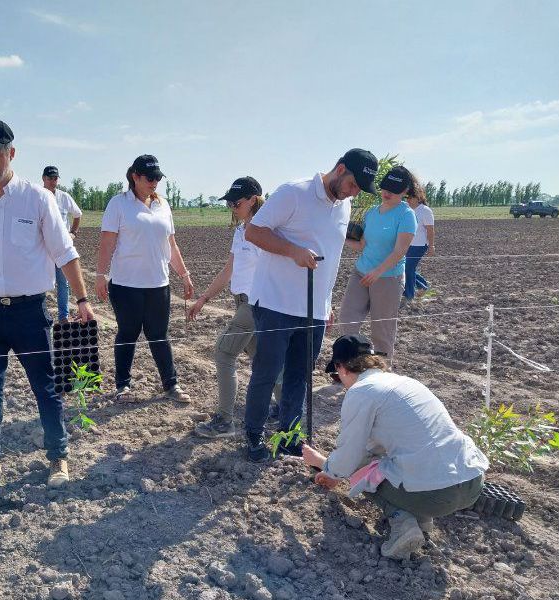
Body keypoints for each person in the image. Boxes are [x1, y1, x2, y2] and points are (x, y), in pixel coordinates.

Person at [0, 120, 95, 490]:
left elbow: (65, 252)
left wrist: (83, 300)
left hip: (30, 312)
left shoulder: (38, 199)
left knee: (46, 387)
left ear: (11, 153)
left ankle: (59, 458)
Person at [243, 148, 379, 461]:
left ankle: (290, 438)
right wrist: (292, 251)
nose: (353, 192)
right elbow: (254, 231)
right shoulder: (294, 192)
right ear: (340, 168)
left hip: (313, 309)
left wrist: (326, 302)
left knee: (299, 377)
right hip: (276, 302)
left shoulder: (344, 206)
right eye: (352, 184)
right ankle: (253, 436)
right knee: (267, 372)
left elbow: (330, 258)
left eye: (359, 189)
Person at [303, 334, 488, 560]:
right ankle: (421, 518)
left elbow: (351, 457)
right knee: (390, 462)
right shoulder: (406, 383)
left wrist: (325, 466)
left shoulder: (361, 392)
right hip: (472, 482)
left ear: (341, 368)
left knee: (370, 473)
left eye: (335, 373)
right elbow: (378, 449)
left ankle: (403, 523)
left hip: (437, 494)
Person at [95, 155, 193, 404]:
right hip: (126, 285)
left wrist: (184, 274)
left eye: (158, 177)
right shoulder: (118, 204)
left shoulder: (164, 205)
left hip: (158, 284)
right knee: (128, 333)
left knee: (159, 335)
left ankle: (171, 384)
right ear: (134, 177)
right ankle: (122, 386)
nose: (155, 182)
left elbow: (171, 244)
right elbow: (107, 243)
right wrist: (100, 275)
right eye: (150, 177)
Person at [188, 177, 281, 437]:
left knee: (224, 352)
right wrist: (204, 298)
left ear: (253, 200)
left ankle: (224, 421)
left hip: (256, 304)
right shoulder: (241, 231)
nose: (231, 206)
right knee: (262, 359)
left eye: (236, 202)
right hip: (242, 301)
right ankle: (285, 409)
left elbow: (278, 270)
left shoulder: (266, 232)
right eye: (229, 202)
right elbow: (229, 270)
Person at [339, 166, 418, 361]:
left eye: (394, 189)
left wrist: (378, 271)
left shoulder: (406, 215)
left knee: (381, 331)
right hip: (361, 273)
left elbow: (400, 251)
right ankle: (351, 365)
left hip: (388, 278)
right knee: (347, 320)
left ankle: (384, 374)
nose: (387, 192)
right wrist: (339, 237)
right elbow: (362, 245)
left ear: (405, 191)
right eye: (385, 187)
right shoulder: (372, 213)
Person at [42, 165, 83, 322]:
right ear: (43, 178)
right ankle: (42, 315)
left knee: (63, 283)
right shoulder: (38, 196)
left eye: (55, 178)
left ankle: (63, 316)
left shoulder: (64, 197)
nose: (53, 181)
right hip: (43, 248)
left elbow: (78, 215)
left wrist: (73, 232)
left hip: (62, 248)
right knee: (41, 283)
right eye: (50, 178)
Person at [402, 186, 435, 305]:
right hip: (407, 244)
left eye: (411, 197)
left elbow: (430, 230)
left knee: (408, 268)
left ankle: (408, 295)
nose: (408, 200)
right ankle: (422, 285)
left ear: (418, 197)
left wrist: (431, 246)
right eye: (407, 198)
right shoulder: (407, 209)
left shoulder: (425, 211)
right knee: (406, 267)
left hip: (420, 245)